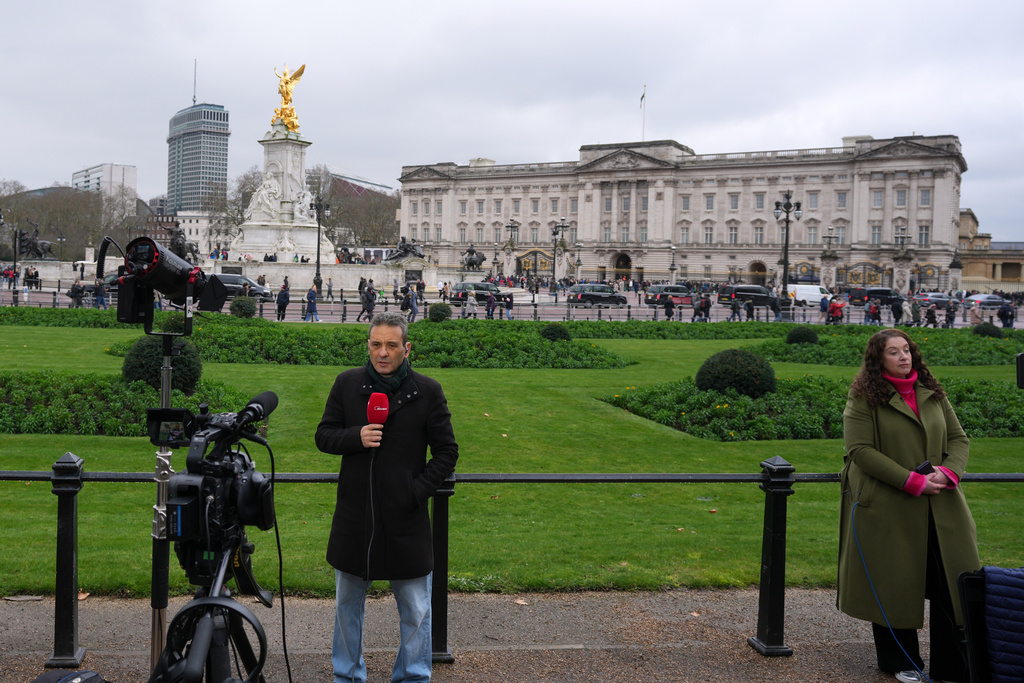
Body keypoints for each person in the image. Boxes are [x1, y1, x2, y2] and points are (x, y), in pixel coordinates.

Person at [315, 312, 458, 683]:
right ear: (368, 346)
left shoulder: (428, 391)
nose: (383, 352)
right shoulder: (347, 384)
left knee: (416, 610)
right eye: (376, 344)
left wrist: (416, 491)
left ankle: (413, 676)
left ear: (406, 349)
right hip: (354, 517)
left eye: (391, 345)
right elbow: (324, 435)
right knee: (347, 607)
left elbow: (446, 452)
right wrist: (355, 437)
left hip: (405, 519)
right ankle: (346, 676)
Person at [839, 329, 979, 683]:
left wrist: (949, 473)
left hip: (943, 504)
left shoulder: (932, 393)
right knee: (895, 584)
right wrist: (911, 480)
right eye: (893, 352)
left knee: (953, 584)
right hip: (892, 505)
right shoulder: (863, 398)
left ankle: (954, 667)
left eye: (907, 350)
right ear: (878, 359)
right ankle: (901, 662)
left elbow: (959, 438)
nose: (904, 357)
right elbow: (860, 451)